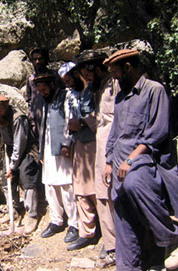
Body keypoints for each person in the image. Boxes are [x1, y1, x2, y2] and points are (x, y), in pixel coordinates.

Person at [103, 49, 178, 271]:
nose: (115, 79)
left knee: (134, 183)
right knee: (123, 216)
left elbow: (158, 131)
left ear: (128, 68)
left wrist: (131, 159)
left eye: (116, 73)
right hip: (119, 162)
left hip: (146, 159)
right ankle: (128, 267)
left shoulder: (155, 90)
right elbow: (115, 133)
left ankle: (171, 238)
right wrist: (109, 161)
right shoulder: (120, 97)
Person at [75, 50, 120, 268]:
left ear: (98, 68)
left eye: (88, 72)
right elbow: (101, 120)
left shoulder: (115, 85)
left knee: (114, 197)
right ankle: (112, 246)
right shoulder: (98, 89)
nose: (87, 77)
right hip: (101, 149)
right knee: (103, 197)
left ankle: (122, 246)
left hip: (116, 150)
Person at [33, 73, 79, 242]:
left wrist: (66, 143)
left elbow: (69, 120)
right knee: (50, 186)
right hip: (47, 148)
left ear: (52, 85)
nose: (43, 93)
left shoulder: (66, 97)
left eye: (44, 89)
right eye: (40, 91)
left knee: (67, 186)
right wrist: (41, 153)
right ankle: (56, 220)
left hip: (62, 148)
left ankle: (74, 223)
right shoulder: (47, 101)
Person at [0, 95, 41, 234]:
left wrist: (12, 166)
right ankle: (14, 209)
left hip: (27, 149)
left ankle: (32, 215)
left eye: (0, 111)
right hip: (10, 148)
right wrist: (10, 166)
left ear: (6, 107)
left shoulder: (18, 118)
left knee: (27, 179)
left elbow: (20, 144)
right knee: (7, 181)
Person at [65, 59, 99, 251]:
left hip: (95, 143)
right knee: (80, 189)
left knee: (96, 189)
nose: (82, 77)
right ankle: (87, 232)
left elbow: (105, 116)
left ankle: (104, 231)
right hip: (79, 142)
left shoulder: (97, 92)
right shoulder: (77, 94)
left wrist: (84, 123)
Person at [25, 47, 62, 139]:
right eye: (35, 59)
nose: (37, 62)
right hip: (37, 118)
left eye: (40, 58)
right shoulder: (30, 79)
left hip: (54, 115)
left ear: (45, 59)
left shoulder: (54, 76)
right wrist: (32, 118)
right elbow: (29, 99)